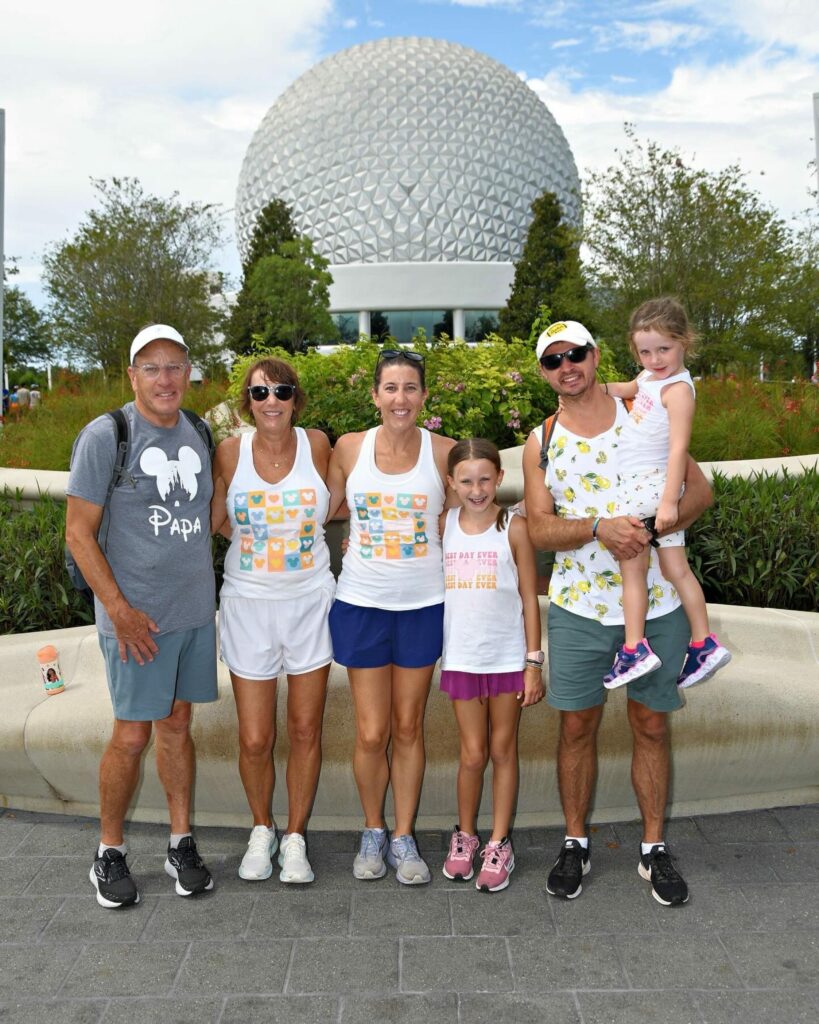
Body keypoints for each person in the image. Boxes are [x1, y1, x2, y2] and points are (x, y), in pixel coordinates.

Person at [522, 319, 713, 907]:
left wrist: (656, 526)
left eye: (576, 353)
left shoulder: (648, 406)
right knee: (576, 727)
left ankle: (653, 849)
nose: (567, 366)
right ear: (544, 373)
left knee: (651, 726)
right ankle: (575, 841)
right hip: (579, 609)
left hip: (655, 604)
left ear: (597, 355)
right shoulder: (543, 439)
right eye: (554, 360)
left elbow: (700, 492)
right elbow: (540, 527)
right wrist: (599, 529)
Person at [65, 324, 217, 909]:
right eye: (150, 368)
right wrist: (120, 611)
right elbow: (79, 534)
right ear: (132, 376)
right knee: (131, 735)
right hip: (135, 620)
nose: (164, 378)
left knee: (177, 726)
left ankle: (181, 841)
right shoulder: (108, 435)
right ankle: (109, 851)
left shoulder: (199, 431)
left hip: (193, 614)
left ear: (188, 373)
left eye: (174, 366)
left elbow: (210, 515)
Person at [326, 348, 455, 885]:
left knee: (408, 726)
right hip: (361, 604)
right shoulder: (349, 448)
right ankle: (373, 829)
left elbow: (466, 514)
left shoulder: (444, 451)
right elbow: (326, 507)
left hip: (423, 605)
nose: (400, 398)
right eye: (390, 388)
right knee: (372, 731)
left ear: (424, 396)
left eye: (410, 388)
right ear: (375, 395)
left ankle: (403, 837)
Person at [211, 357, 334, 885]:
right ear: (247, 402)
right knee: (256, 737)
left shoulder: (319, 446)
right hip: (248, 606)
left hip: (310, 604)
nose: (271, 402)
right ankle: (262, 827)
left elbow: (341, 500)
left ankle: (296, 836)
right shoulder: (229, 452)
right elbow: (217, 519)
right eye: (260, 394)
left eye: (281, 391)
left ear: (295, 398)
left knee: (306, 729)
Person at [601, 298, 730, 690]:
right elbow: (627, 387)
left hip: (647, 487)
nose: (655, 358)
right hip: (652, 492)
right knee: (675, 569)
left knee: (632, 570)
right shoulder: (649, 377)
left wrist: (670, 501)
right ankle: (703, 641)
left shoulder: (677, 390)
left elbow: (678, 448)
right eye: (645, 351)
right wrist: (596, 389)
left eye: (664, 349)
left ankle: (634, 647)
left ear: (684, 342)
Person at [439, 438, 544, 893]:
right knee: (472, 754)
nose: (477, 489)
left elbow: (528, 597)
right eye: (466, 480)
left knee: (503, 751)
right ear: (452, 483)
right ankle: (464, 837)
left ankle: (499, 842)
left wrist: (532, 661)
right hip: (462, 657)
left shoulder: (513, 528)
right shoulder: (443, 524)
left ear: (499, 478)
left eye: (485, 479)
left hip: (505, 657)